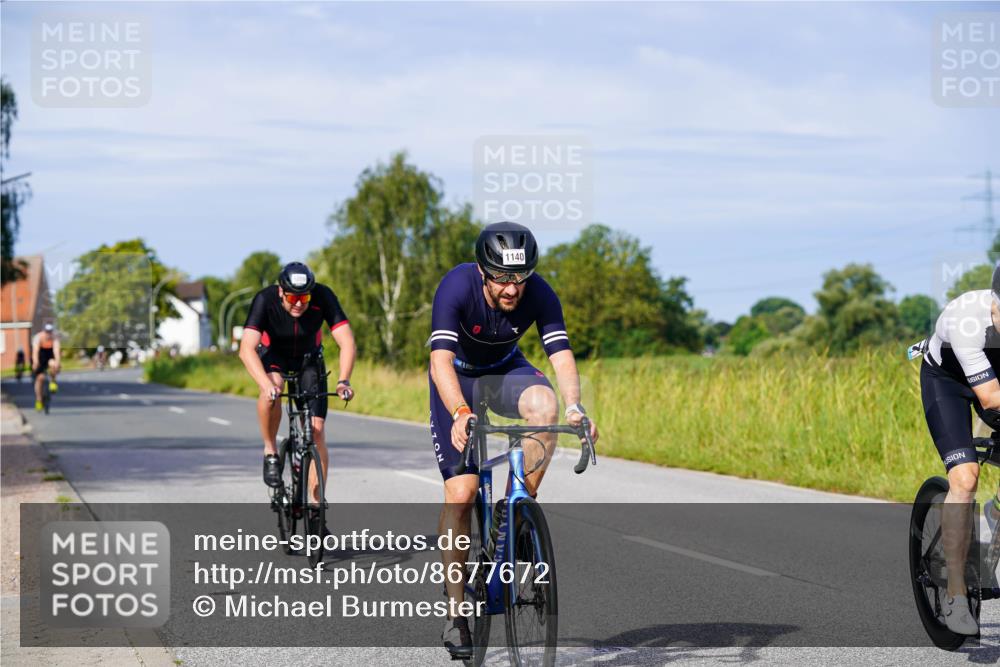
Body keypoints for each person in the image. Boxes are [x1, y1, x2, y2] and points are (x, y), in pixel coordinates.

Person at [428, 221, 599, 658]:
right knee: (462, 493)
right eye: (502, 278)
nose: (511, 289)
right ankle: (456, 614)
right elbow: (440, 360)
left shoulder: (539, 292)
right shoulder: (456, 286)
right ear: (484, 271)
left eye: (519, 278)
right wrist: (460, 412)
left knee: (545, 406)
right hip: (458, 381)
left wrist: (576, 406)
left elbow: (559, 353)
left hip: (505, 371)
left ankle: (517, 508)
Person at [238, 262, 356, 535]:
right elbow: (246, 349)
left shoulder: (323, 295)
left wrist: (343, 380)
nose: (299, 304)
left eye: (304, 298)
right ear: (281, 292)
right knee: (273, 390)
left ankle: (316, 506)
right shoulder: (265, 299)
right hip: (275, 358)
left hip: (308, 361)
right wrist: (264, 383)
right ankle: (270, 451)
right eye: (292, 298)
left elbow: (347, 341)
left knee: (317, 430)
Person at [919, 265, 1000, 635]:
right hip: (948, 383)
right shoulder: (969, 320)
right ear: (994, 304)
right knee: (966, 478)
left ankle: (996, 510)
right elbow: (990, 398)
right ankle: (955, 592)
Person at [32, 323, 61, 411]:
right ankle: (39, 400)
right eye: (47, 332)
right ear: (44, 331)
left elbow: (56, 351)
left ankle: (53, 381)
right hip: (40, 356)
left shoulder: (55, 338)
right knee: (40, 378)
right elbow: (35, 351)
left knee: (53, 364)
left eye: (50, 332)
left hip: (49, 355)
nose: (48, 334)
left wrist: (58, 362)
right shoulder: (38, 337)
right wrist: (36, 362)